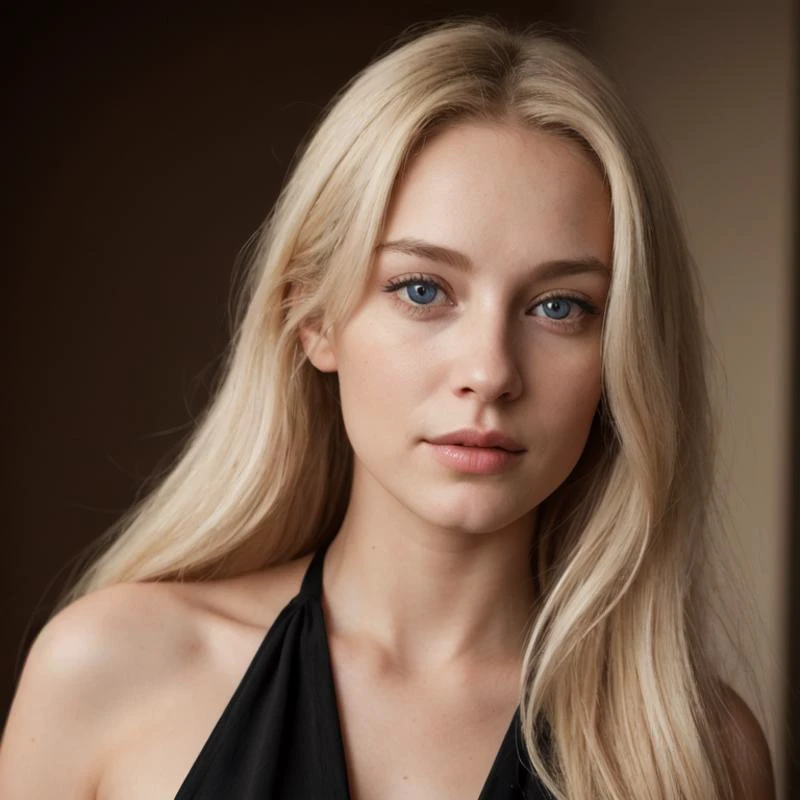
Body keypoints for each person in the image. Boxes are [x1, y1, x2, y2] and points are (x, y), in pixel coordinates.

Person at [0, 18, 776, 800]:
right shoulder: (109, 674)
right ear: (314, 320)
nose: (490, 372)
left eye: (560, 307)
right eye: (422, 290)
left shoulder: (697, 753)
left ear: (622, 355)